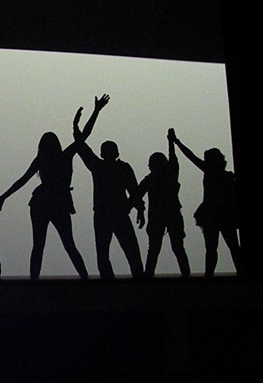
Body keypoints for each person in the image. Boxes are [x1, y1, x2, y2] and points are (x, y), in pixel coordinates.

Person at [0, 94, 110, 280]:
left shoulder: (44, 159)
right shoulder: (63, 156)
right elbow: (83, 137)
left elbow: (22, 180)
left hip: (43, 202)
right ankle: (84, 279)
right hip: (57, 202)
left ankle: (36, 282)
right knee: (67, 244)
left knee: (40, 245)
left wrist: (4, 197)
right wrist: (95, 111)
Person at [73, 114, 145, 280]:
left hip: (105, 214)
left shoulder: (98, 166)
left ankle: (109, 284)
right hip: (118, 213)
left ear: (102, 153)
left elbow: (80, 144)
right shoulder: (122, 168)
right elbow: (134, 191)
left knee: (105, 254)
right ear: (117, 152)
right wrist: (140, 210)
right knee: (131, 252)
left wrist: (76, 125)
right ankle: (138, 283)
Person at [169, 129, 240, 276]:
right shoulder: (229, 177)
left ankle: (209, 275)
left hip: (211, 214)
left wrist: (176, 142)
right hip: (224, 215)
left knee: (212, 248)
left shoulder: (211, 173)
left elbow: (191, 157)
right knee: (232, 247)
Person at [134, 129, 190, 278]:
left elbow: (136, 195)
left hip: (157, 216)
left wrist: (139, 210)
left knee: (154, 249)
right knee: (177, 248)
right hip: (172, 215)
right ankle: (186, 276)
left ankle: (148, 277)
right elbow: (173, 159)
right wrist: (171, 142)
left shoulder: (150, 179)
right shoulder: (170, 174)